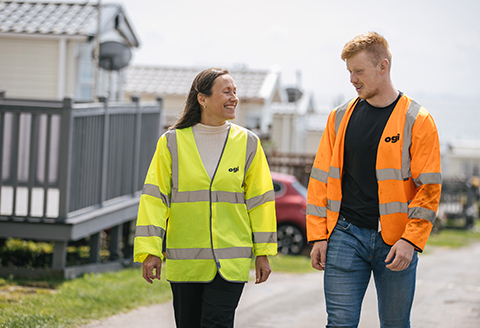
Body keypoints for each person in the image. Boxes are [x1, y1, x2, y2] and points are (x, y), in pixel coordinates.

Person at [307, 32, 442, 327]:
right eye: (349, 72)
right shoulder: (338, 118)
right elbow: (319, 180)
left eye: (359, 71)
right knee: (339, 323)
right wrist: (318, 235)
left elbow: (429, 188)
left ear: (383, 67)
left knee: (395, 324)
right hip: (345, 234)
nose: (352, 79)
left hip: (396, 242)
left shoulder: (417, 120)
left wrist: (411, 241)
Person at [133, 67, 277, 328]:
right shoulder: (171, 143)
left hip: (230, 264)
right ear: (203, 99)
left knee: (217, 324)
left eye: (235, 92)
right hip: (186, 264)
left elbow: (261, 201)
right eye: (226, 92)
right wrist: (151, 250)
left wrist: (263, 252)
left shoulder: (248, 143)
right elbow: (155, 199)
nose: (234, 98)